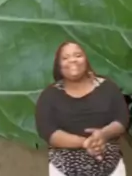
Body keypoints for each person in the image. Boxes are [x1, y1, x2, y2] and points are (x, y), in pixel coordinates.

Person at [35, 41, 130, 176]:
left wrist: (103, 134)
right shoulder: (49, 95)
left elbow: (122, 119)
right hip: (64, 170)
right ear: (58, 66)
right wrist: (85, 143)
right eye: (65, 58)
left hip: (112, 169)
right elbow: (48, 132)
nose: (72, 60)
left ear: (86, 60)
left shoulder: (108, 87)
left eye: (78, 55)